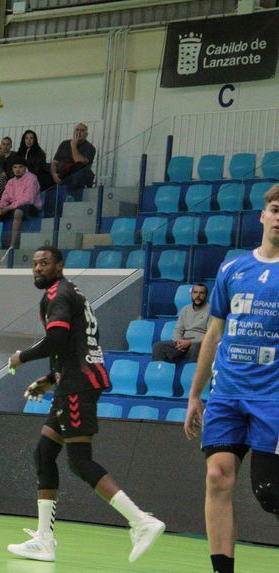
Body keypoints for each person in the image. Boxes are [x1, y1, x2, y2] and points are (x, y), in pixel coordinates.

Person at [6, 246, 165, 564]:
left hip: (78, 385)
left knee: (79, 462)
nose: (38, 268)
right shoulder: (70, 292)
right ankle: (44, 540)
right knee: (45, 453)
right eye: (34, 263)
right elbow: (77, 344)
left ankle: (141, 521)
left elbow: (57, 340)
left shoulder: (58, 294)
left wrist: (20, 357)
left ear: (60, 266)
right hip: (72, 381)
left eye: (45, 263)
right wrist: (50, 379)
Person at [184, 184, 279, 573]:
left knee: (269, 493)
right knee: (217, 477)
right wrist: (195, 395)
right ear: (263, 214)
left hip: (272, 398)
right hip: (226, 394)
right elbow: (214, 334)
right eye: (276, 208)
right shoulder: (232, 268)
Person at [0, 156, 42, 252]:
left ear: (25, 168)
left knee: (18, 212)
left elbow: (28, 199)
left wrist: (8, 208)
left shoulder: (31, 178)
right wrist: (1, 206)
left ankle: (13, 246)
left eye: (20, 167)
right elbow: (5, 197)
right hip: (13, 206)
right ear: (12, 168)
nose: (17, 170)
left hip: (31, 207)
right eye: (15, 167)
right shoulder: (11, 181)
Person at [151, 283, 209, 363]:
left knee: (195, 348)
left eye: (201, 293)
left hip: (199, 343)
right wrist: (178, 341)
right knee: (158, 347)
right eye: (195, 292)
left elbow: (210, 335)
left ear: (206, 295)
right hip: (183, 343)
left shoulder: (212, 311)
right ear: (191, 295)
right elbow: (178, 330)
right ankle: (159, 373)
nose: (198, 295)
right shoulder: (185, 309)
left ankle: (191, 374)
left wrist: (190, 342)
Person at [52, 123, 96, 189]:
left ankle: (71, 195)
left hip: (78, 175)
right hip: (63, 172)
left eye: (82, 130)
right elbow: (54, 162)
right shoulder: (64, 144)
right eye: (77, 130)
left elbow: (78, 161)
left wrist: (73, 145)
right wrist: (54, 174)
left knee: (79, 167)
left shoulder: (90, 148)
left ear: (86, 135)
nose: (79, 132)